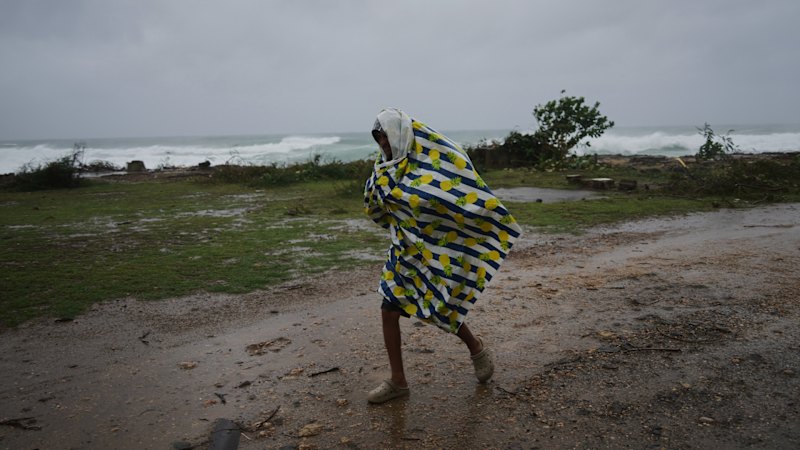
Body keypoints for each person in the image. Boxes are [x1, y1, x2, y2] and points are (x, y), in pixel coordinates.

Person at [363, 108, 522, 404]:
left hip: (434, 250)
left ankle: (476, 348)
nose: (383, 142)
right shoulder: (383, 169)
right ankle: (398, 382)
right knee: (388, 309)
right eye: (378, 138)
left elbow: (455, 195)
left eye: (386, 136)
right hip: (403, 251)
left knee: (441, 306)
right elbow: (377, 205)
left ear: (399, 134)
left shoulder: (431, 165)